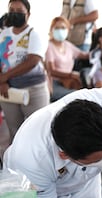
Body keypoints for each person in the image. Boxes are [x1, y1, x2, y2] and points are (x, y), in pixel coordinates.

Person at [0, 0, 49, 144]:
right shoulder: (3, 34)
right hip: (8, 89)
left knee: (39, 130)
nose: (15, 13)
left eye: (19, 11)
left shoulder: (34, 34)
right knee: (14, 132)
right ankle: (16, 163)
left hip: (34, 89)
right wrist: (3, 82)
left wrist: (3, 78)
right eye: (12, 10)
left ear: (28, 14)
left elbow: (32, 61)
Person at [45, 16, 90, 102]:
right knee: (77, 96)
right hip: (54, 84)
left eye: (63, 28)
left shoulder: (68, 45)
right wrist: (71, 75)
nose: (60, 31)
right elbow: (51, 70)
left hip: (68, 83)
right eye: (57, 28)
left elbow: (84, 55)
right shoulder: (49, 46)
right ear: (51, 30)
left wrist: (100, 50)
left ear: (68, 30)